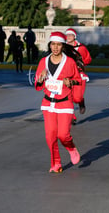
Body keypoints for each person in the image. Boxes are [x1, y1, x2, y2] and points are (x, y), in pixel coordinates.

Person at [35, 31, 83, 173]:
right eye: (53, 44)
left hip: (65, 103)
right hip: (48, 104)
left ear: (62, 46)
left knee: (63, 135)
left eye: (58, 44)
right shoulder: (43, 62)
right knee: (50, 136)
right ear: (50, 45)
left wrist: (71, 81)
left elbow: (78, 80)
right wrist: (41, 78)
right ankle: (56, 163)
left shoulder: (69, 62)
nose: (55, 47)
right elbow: (37, 83)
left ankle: (71, 148)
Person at [65, 28, 92, 124]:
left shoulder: (81, 48)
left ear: (74, 37)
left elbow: (88, 59)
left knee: (77, 97)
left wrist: (80, 63)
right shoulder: (63, 48)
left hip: (79, 75)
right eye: (67, 35)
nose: (68, 37)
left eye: (70, 35)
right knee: (68, 97)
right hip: (67, 75)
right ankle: (72, 117)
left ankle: (81, 102)